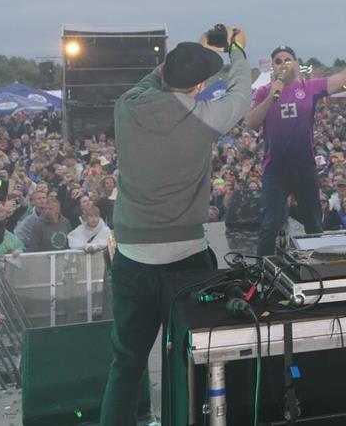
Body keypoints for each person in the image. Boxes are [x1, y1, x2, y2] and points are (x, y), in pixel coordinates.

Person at [100, 28, 252, 425]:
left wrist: (191, 54)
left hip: (132, 257)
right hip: (186, 257)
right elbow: (241, 90)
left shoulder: (126, 106)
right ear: (200, 84)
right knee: (193, 356)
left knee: (127, 362)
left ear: (163, 68)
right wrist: (235, 50)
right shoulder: (206, 118)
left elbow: (153, 80)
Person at [246, 37, 346, 256]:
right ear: (272, 66)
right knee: (270, 224)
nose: (283, 64)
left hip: (304, 168)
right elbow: (250, 123)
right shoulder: (263, 91)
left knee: (314, 225)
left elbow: (342, 78)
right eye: (278, 61)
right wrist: (272, 96)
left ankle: (316, 271)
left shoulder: (309, 87)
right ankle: (260, 274)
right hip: (275, 170)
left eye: (288, 60)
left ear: (296, 63)